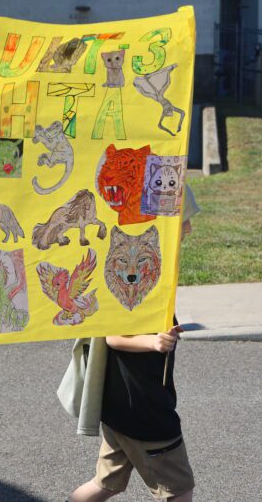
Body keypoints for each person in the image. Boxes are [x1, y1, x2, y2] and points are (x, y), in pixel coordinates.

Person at [68, 186, 200, 502]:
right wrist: (154, 342)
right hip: (143, 407)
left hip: (121, 408)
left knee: (106, 484)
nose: (188, 229)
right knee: (179, 492)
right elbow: (114, 335)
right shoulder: (134, 275)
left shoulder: (150, 270)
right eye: (182, 221)